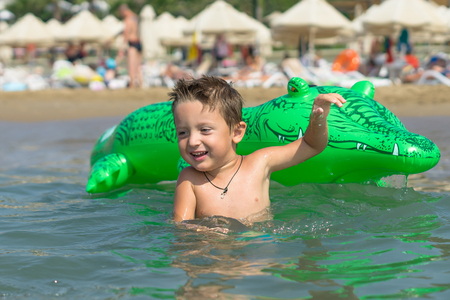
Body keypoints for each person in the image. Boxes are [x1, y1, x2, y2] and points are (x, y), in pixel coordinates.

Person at [170, 76, 346, 222]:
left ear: (237, 132)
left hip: (261, 253)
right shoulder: (189, 180)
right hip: (216, 258)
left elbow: (311, 145)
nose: (192, 141)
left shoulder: (260, 163)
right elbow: (182, 229)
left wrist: (319, 119)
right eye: (183, 132)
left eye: (205, 130)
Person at [118, 4, 142, 88]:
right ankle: (141, 83)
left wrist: (121, 48)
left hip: (132, 43)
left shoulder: (128, 19)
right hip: (139, 43)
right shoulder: (136, 17)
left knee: (131, 66)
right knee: (138, 66)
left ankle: (132, 85)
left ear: (123, 11)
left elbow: (126, 34)